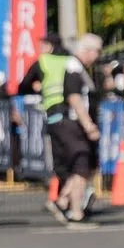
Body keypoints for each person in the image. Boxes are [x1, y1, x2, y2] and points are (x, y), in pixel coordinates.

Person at [48, 34, 101, 222]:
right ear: (87, 50)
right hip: (71, 124)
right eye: (97, 51)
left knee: (83, 167)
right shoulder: (73, 68)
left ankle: (62, 201)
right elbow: (74, 98)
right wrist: (88, 125)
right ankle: (75, 212)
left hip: (73, 124)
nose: (98, 56)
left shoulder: (80, 69)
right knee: (80, 166)